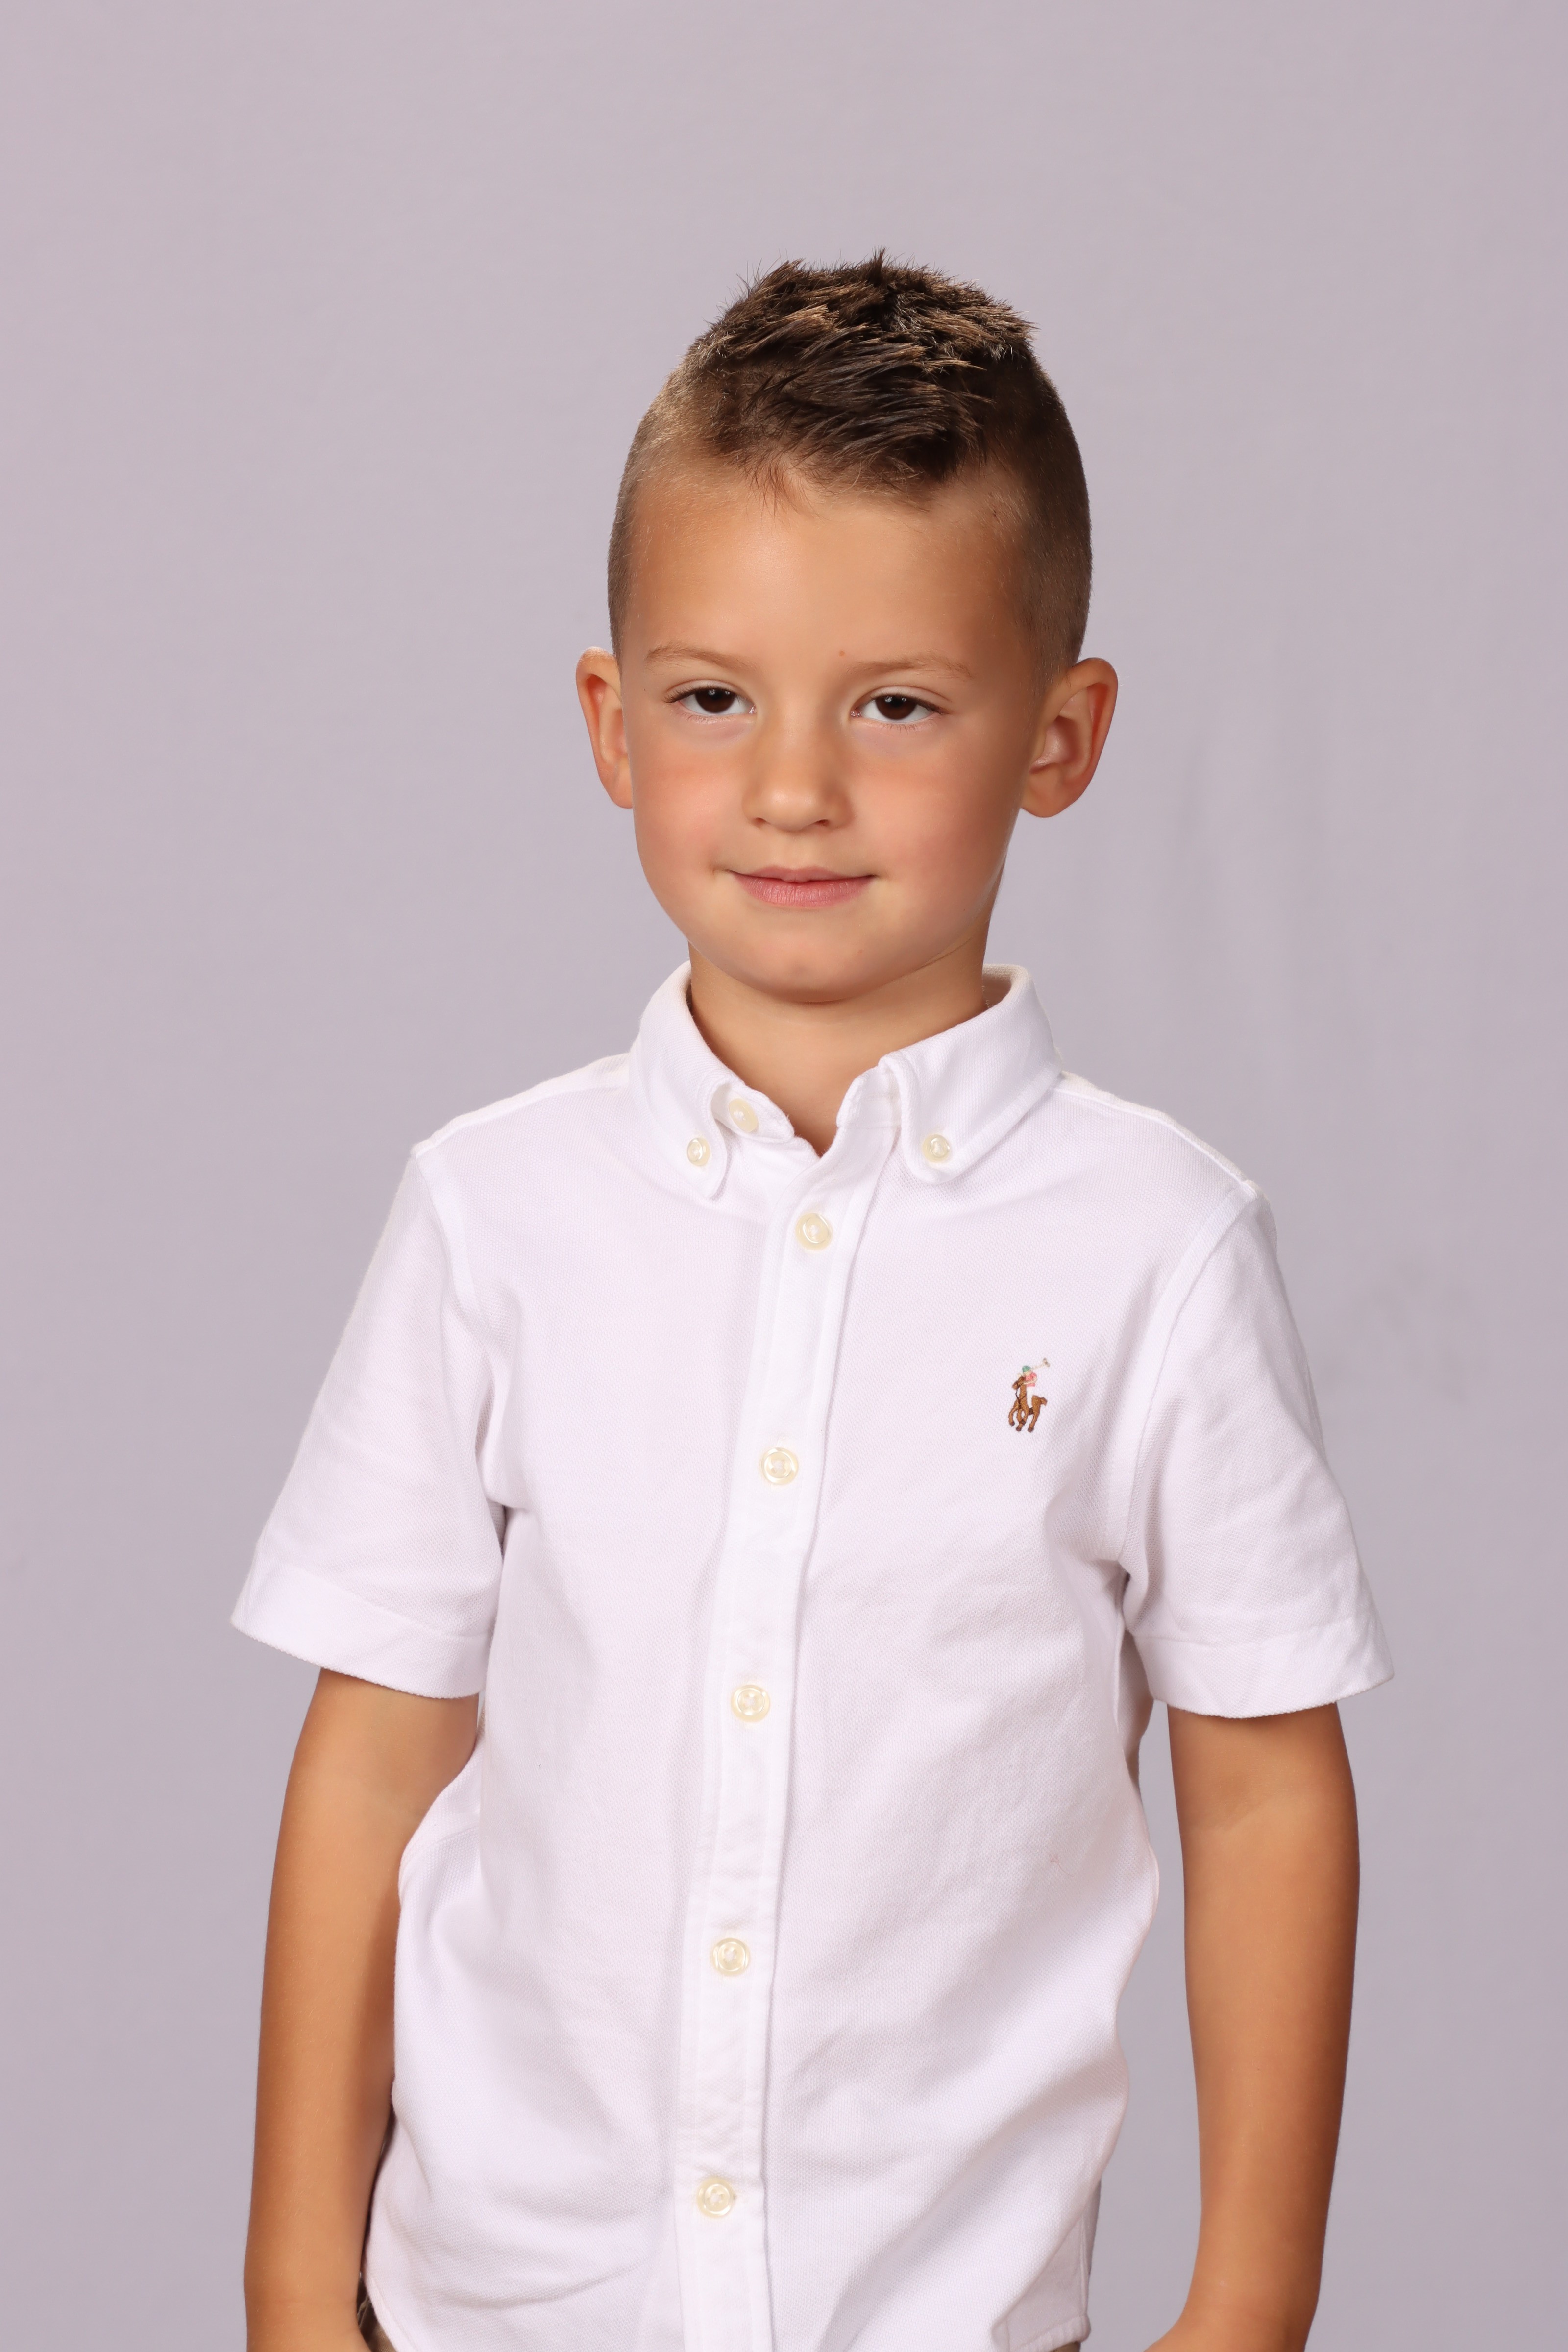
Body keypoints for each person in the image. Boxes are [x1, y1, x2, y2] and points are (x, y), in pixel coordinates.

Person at [235, 256, 1391, 2352]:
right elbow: (376, 1758)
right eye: (714, 700)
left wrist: (1248, 2308)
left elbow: (1259, 1787)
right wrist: (293, 2289)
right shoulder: (492, 1215)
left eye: (895, 705)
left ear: (1059, 737)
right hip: (490, 2309)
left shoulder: (1156, 1251)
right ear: (611, 723)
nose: (792, 787)